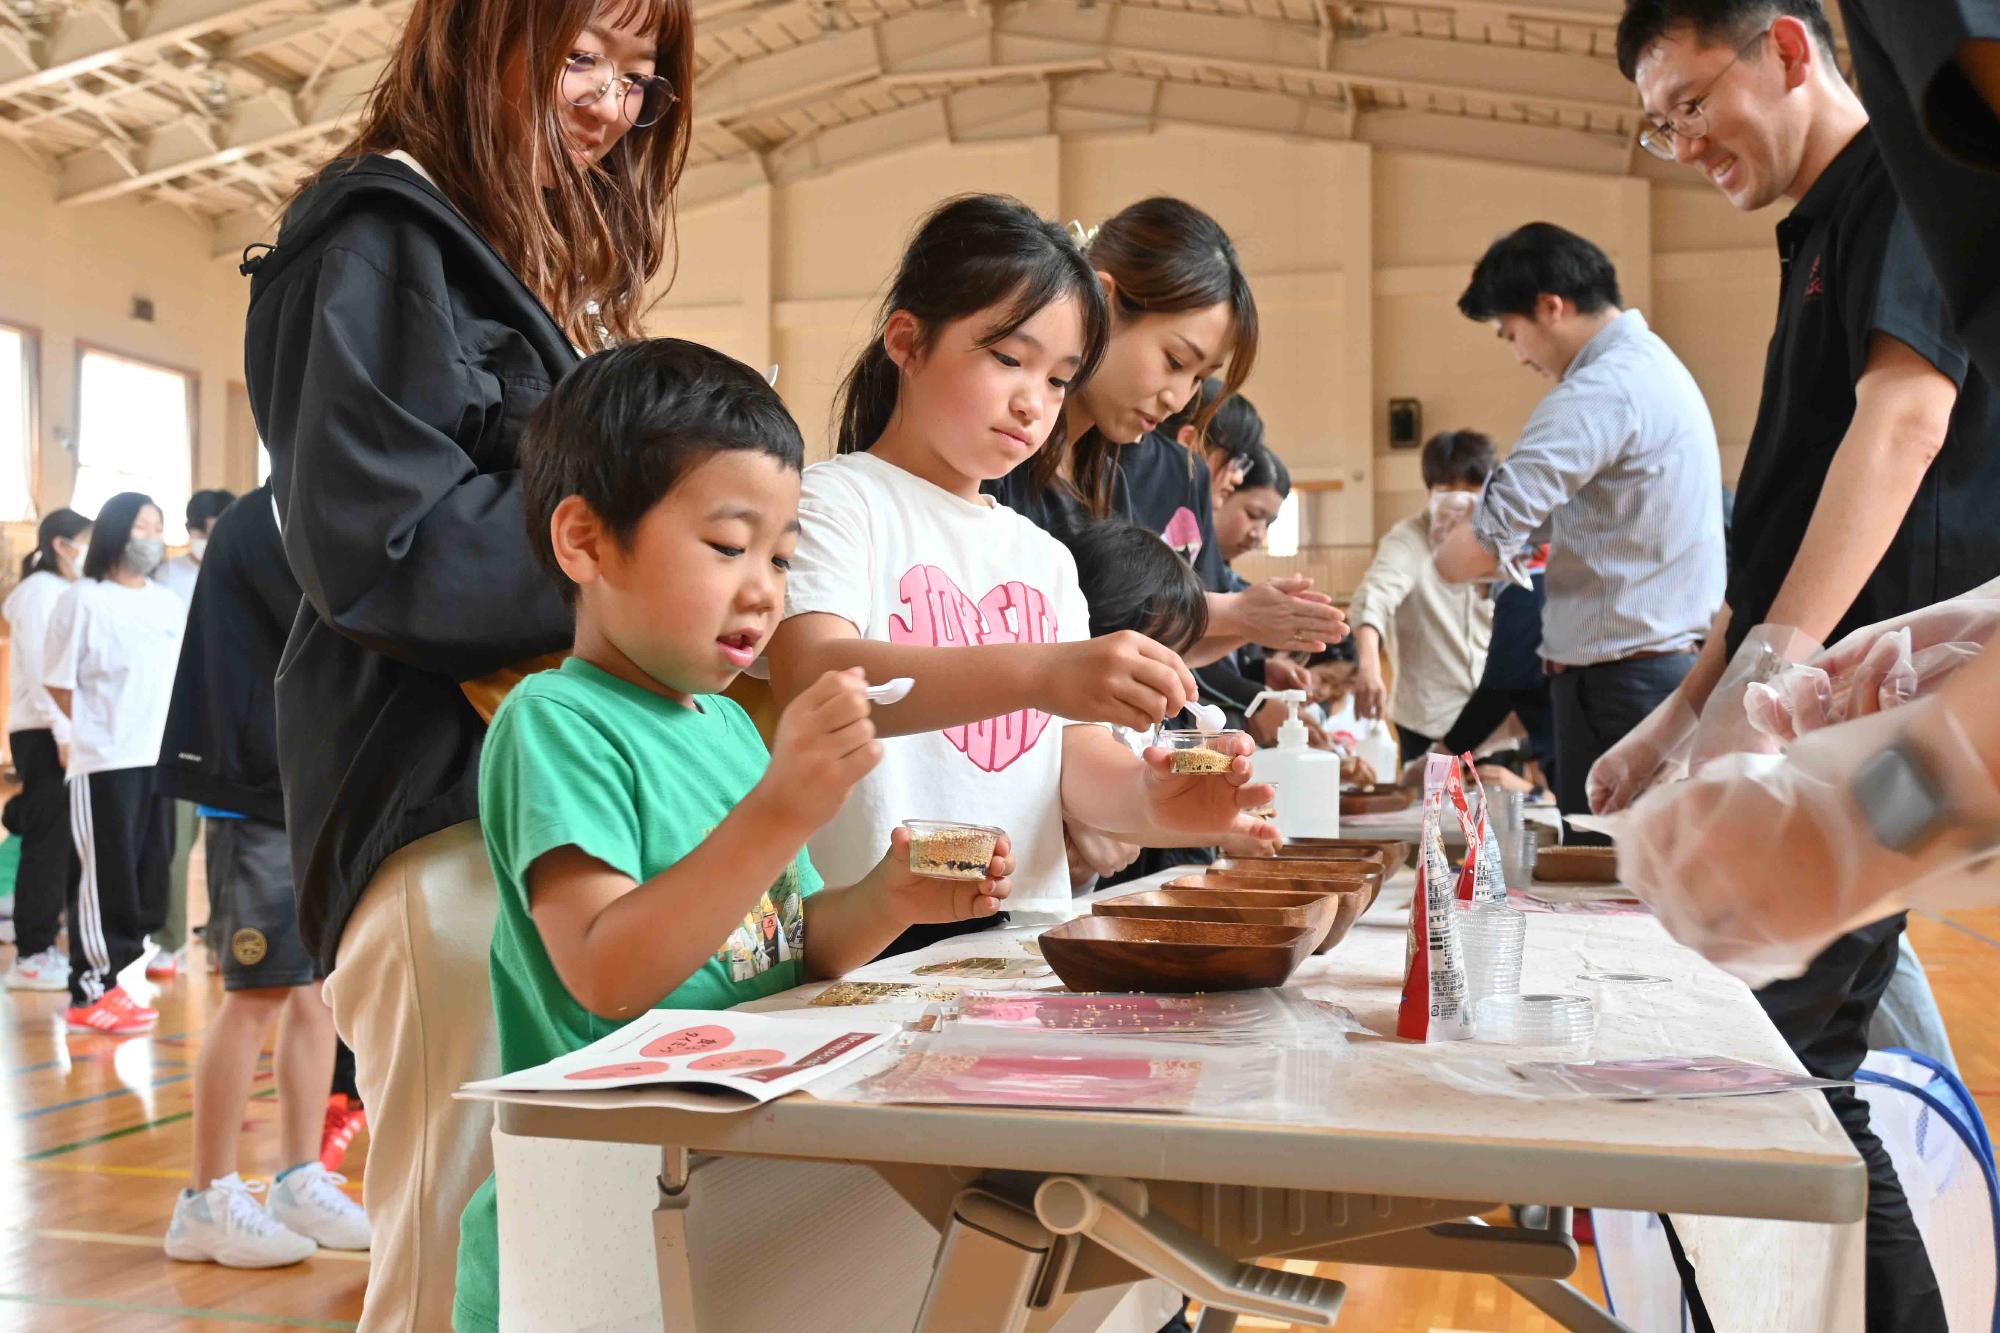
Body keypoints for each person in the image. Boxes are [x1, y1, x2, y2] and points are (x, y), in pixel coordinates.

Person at [242, 0, 696, 1323]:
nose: (611, 101)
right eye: (579, 56)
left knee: (547, 1246)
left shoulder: (505, 263)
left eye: (641, 76)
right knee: (458, 1258)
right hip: (443, 816)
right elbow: (385, 548)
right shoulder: (378, 235)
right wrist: (649, 525)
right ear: (474, 38)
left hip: (545, 814)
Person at [453, 337, 1014, 1332]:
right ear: (585, 541)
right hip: (593, 1217)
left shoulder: (727, 728)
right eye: (726, 546)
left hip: (727, 1192)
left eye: (782, 557)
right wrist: (781, 810)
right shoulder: (556, 723)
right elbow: (606, 970)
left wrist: (892, 895)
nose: (764, 589)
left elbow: (788, 942)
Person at [1605, 4, 2000, 1327]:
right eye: (1658, 128)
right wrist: (1682, 712)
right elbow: (1773, 535)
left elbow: (1905, 421)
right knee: (1781, 1066)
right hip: (1861, 719)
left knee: (1786, 1073)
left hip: (1880, 721)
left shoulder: (1904, 177)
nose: (1682, 144)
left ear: (1785, 48)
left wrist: (1773, 679)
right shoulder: (1819, 228)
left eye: (1689, 105)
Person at [764, 194, 1277, 950]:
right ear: (906, 341)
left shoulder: (1045, 558)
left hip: (1018, 945)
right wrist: (1040, 672)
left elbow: (1072, 760)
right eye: (1009, 359)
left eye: (1060, 379)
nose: (1034, 402)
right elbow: (815, 678)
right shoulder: (838, 501)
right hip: (871, 943)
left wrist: (1154, 800)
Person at [1433, 222, 1725, 837]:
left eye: (1512, 333)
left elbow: (1469, 554)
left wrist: (1458, 539)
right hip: (1653, 671)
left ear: (1551, 307)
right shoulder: (1654, 368)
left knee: (1606, 878)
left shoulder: (1599, 390)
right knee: (1643, 873)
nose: (1520, 355)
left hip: (1618, 686)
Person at [985, 198, 1346, 667]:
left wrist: (1243, 623)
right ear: (1102, 302)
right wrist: (1235, 614)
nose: (1178, 399)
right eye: (1175, 361)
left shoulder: (1108, 476)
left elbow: (1127, 639)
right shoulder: (996, 453)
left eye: (1199, 378)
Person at [159, 486, 371, 1268]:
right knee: (255, 993)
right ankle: (204, 1198)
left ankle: (297, 1177)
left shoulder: (306, 500)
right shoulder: (272, 514)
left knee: (316, 991)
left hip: (305, 786)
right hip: (251, 791)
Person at [41, 492, 184, 1035]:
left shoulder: (167, 602)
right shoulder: (84, 600)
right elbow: (58, 683)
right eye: (141, 526)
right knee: (103, 880)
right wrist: (101, 729)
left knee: (147, 880)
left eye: (158, 527)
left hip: (157, 759)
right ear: (117, 532)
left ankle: (117, 980)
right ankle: (89, 991)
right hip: (105, 761)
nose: (151, 537)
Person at [1057, 518, 1217, 889]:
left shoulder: (1143, 729)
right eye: (1153, 651)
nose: (1168, 674)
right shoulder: (1049, 720)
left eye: (1178, 655)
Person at [1351, 430, 1496, 767]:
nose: (1462, 501)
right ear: (1430, 490)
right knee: (1426, 799)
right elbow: (1374, 597)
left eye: (1472, 490)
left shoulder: (1498, 537)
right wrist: (1369, 666)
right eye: (1448, 491)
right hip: (1429, 717)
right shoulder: (1408, 539)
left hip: (1493, 717)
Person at [149, 486, 236, 983]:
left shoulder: (241, 569)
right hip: (180, 724)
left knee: (229, 840)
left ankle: (224, 939)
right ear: (192, 531)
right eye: (208, 531)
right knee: (177, 842)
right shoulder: (166, 580)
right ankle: (169, 942)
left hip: (230, 725)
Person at [2, 508, 91, 991]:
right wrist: (62, 733)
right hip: (43, 732)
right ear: (61, 543)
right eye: (85, 540)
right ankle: (32, 955)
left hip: (65, 731)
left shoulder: (67, 590)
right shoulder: (39, 593)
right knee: (47, 840)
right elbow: (43, 673)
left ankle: (47, 940)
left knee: (61, 839)